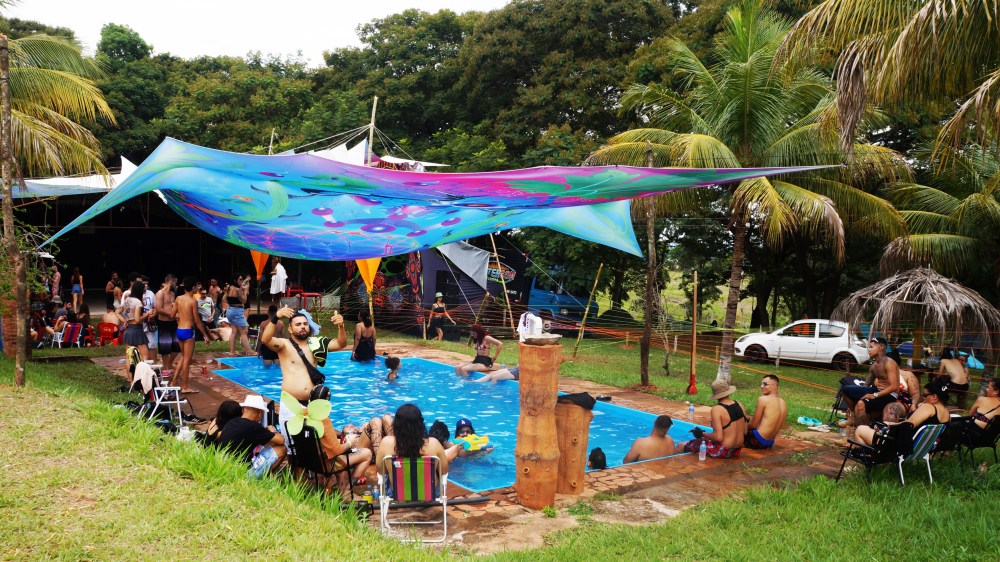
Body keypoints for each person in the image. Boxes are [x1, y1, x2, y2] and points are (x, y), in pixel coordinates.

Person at [258, 306, 348, 435]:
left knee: (316, 439)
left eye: (305, 324)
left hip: (313, 404)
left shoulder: (317, 344)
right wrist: (276, 317)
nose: (302, 327)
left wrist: (341, 326)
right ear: (290, 329)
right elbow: (265, 339)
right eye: (298, 324)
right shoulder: (284, 345)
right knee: (291, 441)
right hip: (291, 403)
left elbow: (341, 344)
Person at [855, 380, 951, 447]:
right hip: (920, 447)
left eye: (925, 395)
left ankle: (865, 461)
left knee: (860, 429)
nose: (923, 398)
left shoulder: (928, 407)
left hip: (901, 446)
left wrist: (890, 424)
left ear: (934, 397)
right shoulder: (946, 414)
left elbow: (908, 425)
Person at [216, 395, 287, 477]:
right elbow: (281, 440)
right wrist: (273, 431)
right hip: (241, 474)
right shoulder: (253, 426)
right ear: (259, 413)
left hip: (224, 469)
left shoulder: (232, 421)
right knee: (281, 448)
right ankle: (264, 479)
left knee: (268, 443)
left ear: (243, 409)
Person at [375, 404, 449, 478]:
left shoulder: (386, 443)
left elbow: (381, 470)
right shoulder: (434, 444)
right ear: (420, 424)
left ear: (396, 425)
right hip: (428, 485)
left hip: (396, 485)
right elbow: (444, 471)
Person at [841, 337, 900, 428]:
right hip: (876, 391)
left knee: (861, 404)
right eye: (869, 347)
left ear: (880, 348)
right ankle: (854, 416)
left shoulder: (889, 363)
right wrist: (856, 397)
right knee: (845, 390)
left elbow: (894, 387)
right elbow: (866, 385)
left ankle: (861, 430)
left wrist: (875, 395)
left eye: (871, 347)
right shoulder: (874, 366)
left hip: (890, 395)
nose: (869, 349)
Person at [681, 380, 747, 459]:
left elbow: (718, 437)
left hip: (723, 451)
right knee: (704, 439)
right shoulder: (740, 404)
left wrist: (702, 433)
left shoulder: (717, 409)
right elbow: (745, 431)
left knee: (681, 445)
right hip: (737, 450)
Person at [171, 277, 210, 394]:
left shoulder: (178, 298)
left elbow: (172, 315)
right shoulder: (193, 301)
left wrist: (178, 316)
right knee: (187, 360)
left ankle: (173, 381)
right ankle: (185, 386)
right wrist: (205, 335)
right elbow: (197, 321)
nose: (197, 288)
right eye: (197, 286)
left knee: (183, 357)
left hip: (179, 330)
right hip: (188, 331)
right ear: (193, 287)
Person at [745, 375, 787, 449]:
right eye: (761, 384)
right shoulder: (783, 402)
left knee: (734, 424)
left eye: (765, 384)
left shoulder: (763, 399)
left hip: (757, 441)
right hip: (769, 442)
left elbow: (753, 425)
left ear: (774, 385)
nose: (761, 386)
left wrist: (742, 425)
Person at [155, 274, 180, 371]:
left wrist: (176, 313)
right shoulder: (160, 293)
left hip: (173, 322)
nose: (176, 285)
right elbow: (159, 309)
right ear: (171, 281)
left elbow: (173, 307)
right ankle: (165, 366)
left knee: (177, 345)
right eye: (175, 283)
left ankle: (170, 363)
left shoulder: (172, 294)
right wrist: (171, 314)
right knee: (165, 346)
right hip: (163, 322)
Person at [121, 280, 150, 359]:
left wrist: (124, 321)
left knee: (130, 357)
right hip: (137, 330)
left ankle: (131, 368)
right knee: (145, 356)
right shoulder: (137, 302)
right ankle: (142, 367)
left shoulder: (127, 300)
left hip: (128, 330)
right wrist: (147, 314)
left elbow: (117, 312)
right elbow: (137, 320)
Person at [224, 275, 253, 356]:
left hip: (230, 310)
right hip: (237, 311)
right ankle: (250, 351)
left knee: (234, 331)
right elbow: (244, 300)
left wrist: (231, 303)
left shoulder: (229, 287)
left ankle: (232, 351)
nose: (242, 281)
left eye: (242, 279)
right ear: (235, 280)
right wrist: (245, 291)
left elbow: (224, 298)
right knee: (244, 332)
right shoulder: (237, 290)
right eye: (240, 279)